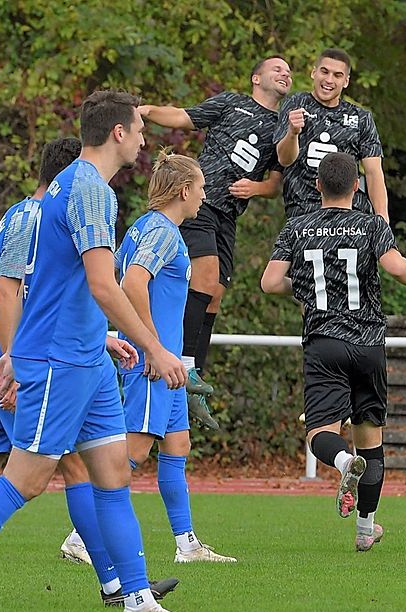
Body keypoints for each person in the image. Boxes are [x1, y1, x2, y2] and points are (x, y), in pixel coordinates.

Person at [0, 90, 205, 612]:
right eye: (138, 130)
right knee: (26, 479)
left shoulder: (69, 185)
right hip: (60, 361)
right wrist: (155, 349)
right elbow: (103, 285)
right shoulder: (90, 190)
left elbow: (58, 285)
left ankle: (137, 602)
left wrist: (97, 341)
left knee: (112, 474)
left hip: (86, 360)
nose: (142, 139)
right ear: (117, 132)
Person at [261, 152, 406, 552]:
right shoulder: (372, 224)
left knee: (320, 434)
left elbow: (270, 282)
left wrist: (303, 288)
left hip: (324, 342)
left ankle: (343, 463)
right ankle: (365, 528)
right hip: (368, 343)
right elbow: (395, 267)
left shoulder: (297, 226)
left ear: (317, 186)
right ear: (357, 187)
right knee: (370, 438)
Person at [139, 56, 293, 428]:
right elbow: (182, 116)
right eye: (277, 68)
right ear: (256, 77)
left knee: (215, 294)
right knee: (205, 278)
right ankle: (182, 364)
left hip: (228, 216)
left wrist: (256, 187)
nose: (285, 73)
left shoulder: (283, 127)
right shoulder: (231, 103)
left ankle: (194, 378)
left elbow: (275, 184)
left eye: (289, 71)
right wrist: (145, 111)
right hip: (201, 203)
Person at [116, 149, 236, 562]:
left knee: (178, 444)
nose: (204, 196)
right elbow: (132, 283)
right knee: (135, 451)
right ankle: (80, 536)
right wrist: (152, 346)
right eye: (201, 187)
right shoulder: (163, 232)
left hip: (164, 364)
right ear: (184, 190)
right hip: (151, 363)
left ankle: (187, 544)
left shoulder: (143, 227)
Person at [274, 48, 389, 224]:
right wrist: (292, 133)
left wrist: (382, 218)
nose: (329, 80)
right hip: (304, 212)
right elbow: (284, 159)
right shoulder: (295, 103)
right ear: (314, 73)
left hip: (350, 215)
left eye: (337, 75)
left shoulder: (361, 117)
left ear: (346, 81)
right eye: (324, 72)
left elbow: (374, 172)